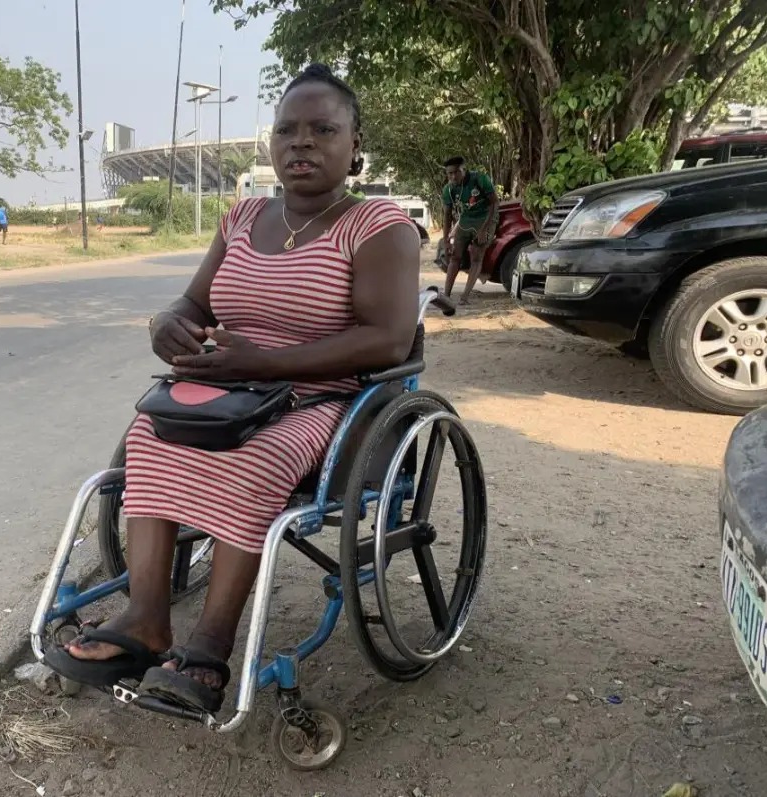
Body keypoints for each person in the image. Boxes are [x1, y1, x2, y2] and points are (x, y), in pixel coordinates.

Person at [47, 63, 421, 713]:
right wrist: (168, 323)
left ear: (354, 144)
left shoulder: (377, 225)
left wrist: (272, 362)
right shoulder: (243, 217)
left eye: (322, 129)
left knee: (252, 459)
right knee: (147, 435)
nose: (301, 142)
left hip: (322, 397)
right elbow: (192, 303)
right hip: (229, 392)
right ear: (270, 143)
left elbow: (388, 339)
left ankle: (211, 647)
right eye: (287, 130)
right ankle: (145, 618)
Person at [441, 156, 498, 305]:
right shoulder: (448, 189)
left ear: (463, 170)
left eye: (456, 172)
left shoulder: (479, 179)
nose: (453, 176)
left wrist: (484, 229)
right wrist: (447, 240)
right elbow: (447, 215)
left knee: (477, 257)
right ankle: (446, 294)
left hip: (485, 218)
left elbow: (493, 203)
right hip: (466, 220)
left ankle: (464, 297)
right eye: (450, 173)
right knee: (455, 256)